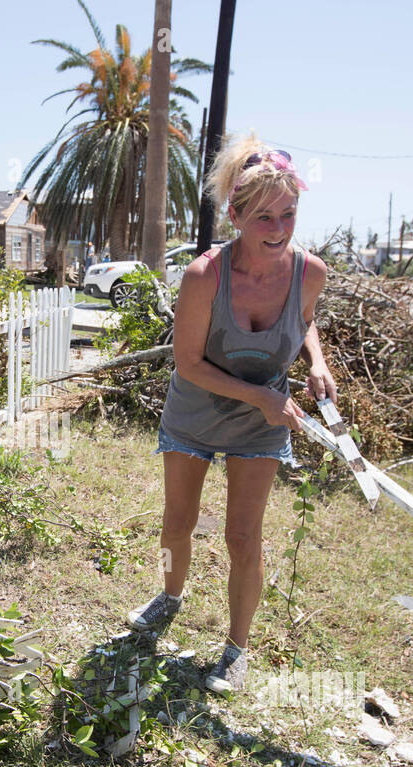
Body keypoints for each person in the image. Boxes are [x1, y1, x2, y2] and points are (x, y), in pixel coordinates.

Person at [125, 134, 336, 694]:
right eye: (263, 217)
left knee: (244, 537)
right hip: (197, 407)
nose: (278, 229)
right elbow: (188, 364)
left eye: (288, 214)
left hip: (259, 418)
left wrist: (315, 361)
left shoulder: (308, 272)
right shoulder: (204, 277)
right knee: (179, 523)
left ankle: (236, 650)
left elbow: (307, 318)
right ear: (236, 216)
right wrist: (265, 396)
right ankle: (170, 596)